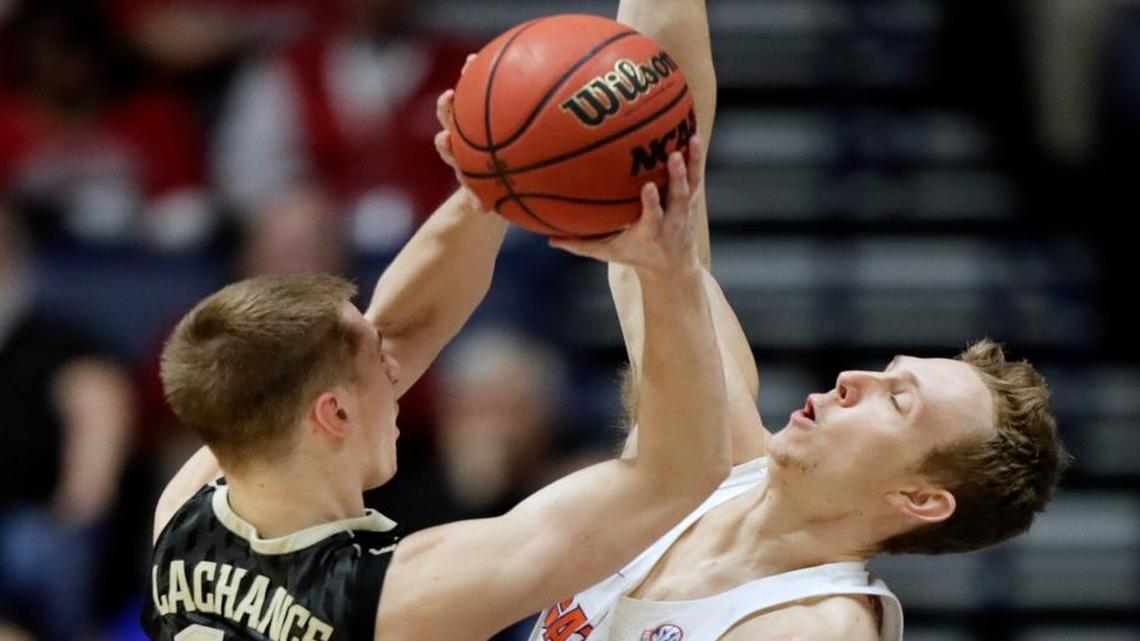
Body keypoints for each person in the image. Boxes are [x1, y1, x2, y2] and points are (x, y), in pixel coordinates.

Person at [517, 2, 1072, 640]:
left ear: (919, 499)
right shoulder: (703, 464)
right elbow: (669, 185)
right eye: (885, 371)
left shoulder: (814, 627)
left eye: (897, 401)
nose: (850, 379)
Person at [143, 116, 734, 641]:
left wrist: (491, 182)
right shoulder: (399, 598)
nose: (398, 368)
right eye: (379, 364)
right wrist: (668, 270)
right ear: (335, 414)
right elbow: (681, 472)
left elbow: (398, 329)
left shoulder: (185, 511)